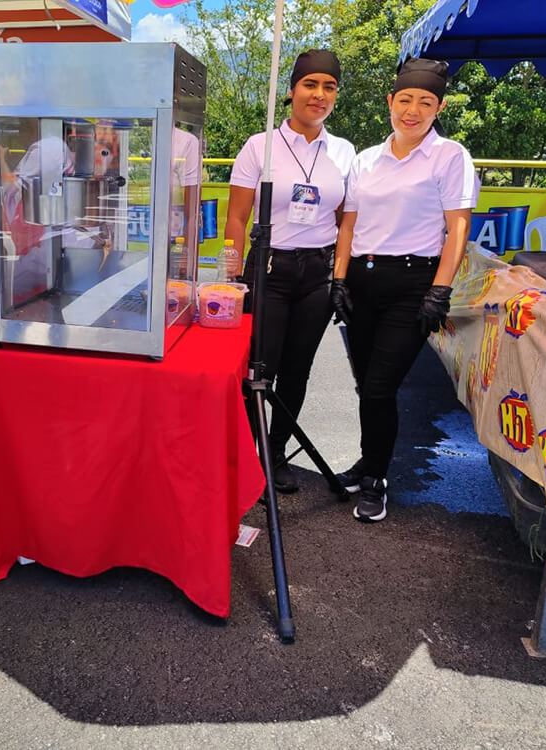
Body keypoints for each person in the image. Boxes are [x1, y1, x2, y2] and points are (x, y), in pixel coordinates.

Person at [331, 58, 479, 522]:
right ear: (390, 103)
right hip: (362, 279)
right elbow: (348, 225)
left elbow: (458, 229)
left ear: (440, 107)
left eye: (426, 102)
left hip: (413, 284)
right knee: (365, 385)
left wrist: (440, 290)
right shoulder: (365, 160)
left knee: (380, 386)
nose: (413, 110)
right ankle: (367, 460)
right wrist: (338, 277)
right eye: (405, 100)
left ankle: (376, 478)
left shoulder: (449, 156)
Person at [226, 49, 356, 494]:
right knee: (260, 367)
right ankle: (245, 452)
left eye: (329, 87)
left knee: (299, 369)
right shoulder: (259, 146)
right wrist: (231, 276)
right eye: (310, 84)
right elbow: (237, 220)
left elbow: (345, 223)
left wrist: (340, 277)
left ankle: (276, 451)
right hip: (268, 267)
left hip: (316, 273)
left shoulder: (343, 151)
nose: (319, 95)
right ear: (292, 90)